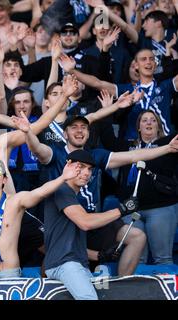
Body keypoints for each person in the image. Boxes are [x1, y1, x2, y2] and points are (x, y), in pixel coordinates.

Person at [20, 114, 178, 275]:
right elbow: (37, 148)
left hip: (91, 221)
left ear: (88, 133)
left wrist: (168, 148)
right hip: (64, 221)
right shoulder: (55, 153)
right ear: (65, 134)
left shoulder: (96, 155)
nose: (79, 131)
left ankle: (121, 287)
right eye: (74, 127)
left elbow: (132, 156)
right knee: (52, 264)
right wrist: (28, 133)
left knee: (137, 237)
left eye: (83, 127)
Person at [43, 149, 139, 300]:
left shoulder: (74, 197)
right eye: (81, 166)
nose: (87, 173)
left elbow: (69, 242)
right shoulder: (62, 190)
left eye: (89, 169)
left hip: (75, 264)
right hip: (65, 264)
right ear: (68, 165)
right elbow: (85, 222)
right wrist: (122, 209)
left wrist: (100, 256)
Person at [113, 110, 178, 265]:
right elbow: (108, 140)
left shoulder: (169, 144)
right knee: (136, 259)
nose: (149, 122)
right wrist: (109, 110)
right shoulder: (128, 145)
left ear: (158, 126)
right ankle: (136, 289)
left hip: (161, 208)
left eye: (153, 120)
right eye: (144, 120)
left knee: (162, 258)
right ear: (139, 127)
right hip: (130, 209)